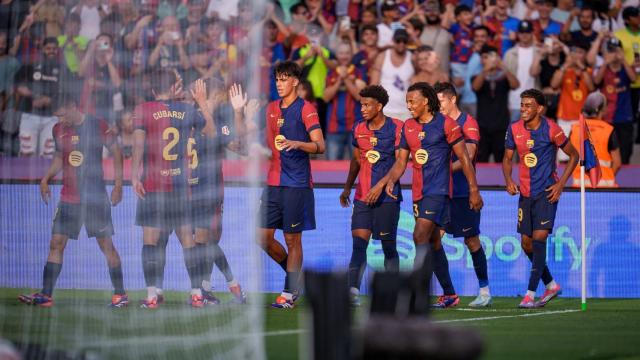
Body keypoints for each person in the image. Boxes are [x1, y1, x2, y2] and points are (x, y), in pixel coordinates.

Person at [18, 93, 127, 308]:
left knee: (106, 246)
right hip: (68, 198)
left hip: (95, 199)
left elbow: (116, 151)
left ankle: (120, 294)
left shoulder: (97, 124)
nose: (60, 120)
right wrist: (46, 177)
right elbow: (60, 157)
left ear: (72, 106)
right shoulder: (58, 129)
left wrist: (118, 185)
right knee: (56, 243)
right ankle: (46, 295)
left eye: (62, 115)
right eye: (57, 116)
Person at [384, 82, 483, 309]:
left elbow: (465, 158)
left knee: (419, 235)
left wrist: (473, 189)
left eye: (412, 101)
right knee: (433, 241)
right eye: (407, 102)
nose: (408, 106)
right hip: (418, 192)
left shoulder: (447, 124)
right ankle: (449, 293)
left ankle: (418, 293)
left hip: (439, 191)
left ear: (426, 101)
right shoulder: (408, 126)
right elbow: (401, 161)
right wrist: (391, 179)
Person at [131, 70, 213, 309]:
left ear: (153, 89)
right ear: (173, 87)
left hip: (153, 186)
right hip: (180, 187)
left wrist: (135, 176)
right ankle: (197, 293)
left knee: (150, 241)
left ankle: (151, 297)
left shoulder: (143, 109)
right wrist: (202, 103)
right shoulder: (187, 110)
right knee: (188, 240)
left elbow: (137, 146)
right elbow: (209, 131)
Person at [502, 88, 579, 308]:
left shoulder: (552, 129)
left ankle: (529, 294)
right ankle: (551, 284)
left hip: (546, 193)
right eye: (522, 105)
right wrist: (508, 179)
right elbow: (507, 158)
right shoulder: (514, 129)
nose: (523, 109)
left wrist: (561, 184)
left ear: (540, 108)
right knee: (526, 244)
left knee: (538, 239)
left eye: (528, 105)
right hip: (525, 194)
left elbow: (574, 155)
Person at [258, 61, 325, 309]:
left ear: (295, 82)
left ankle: (288, 294)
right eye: (277, 79)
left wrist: (299, 143)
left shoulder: (306, 109)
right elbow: (265, 143)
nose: (279, 84)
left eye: (284, 79)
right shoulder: (271, 108)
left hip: (296, 183)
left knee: (292, 239)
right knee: (261, 237)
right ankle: (296, 278)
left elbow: (320, 145)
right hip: (273, 181)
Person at [339, 85, 403, 307]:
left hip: (387, 196)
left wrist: (381, 185)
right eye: (361, 105)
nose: (363, 109)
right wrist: (347, 188)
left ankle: (393, 292)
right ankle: (352, 291)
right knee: (359, 245)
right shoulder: (358, 129)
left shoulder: (397, 127)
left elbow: (400, 163)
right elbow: (356, 161)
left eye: (367, 105)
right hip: (362, 197)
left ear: (380, 106)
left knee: (388, 246)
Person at [189, 81, 248, 304]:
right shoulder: (192, 116)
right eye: (218, 98)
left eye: (222, 100)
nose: (219, 103)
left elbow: (239, 146)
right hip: (188, 188)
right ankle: (207, 289)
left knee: (207, 240)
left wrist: (239, 113)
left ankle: (228, 286)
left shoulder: (219, 123)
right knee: (198, 243)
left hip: (210, 189)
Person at [435, 82, 491, 308]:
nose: (437, 106)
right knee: (430, 240)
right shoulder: (437, 124)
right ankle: (449, 293)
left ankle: (485, 292)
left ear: (452, 100)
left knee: (472, 240)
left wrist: (440, 168)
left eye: (440, 102)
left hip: (462, 192)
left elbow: (469, 154)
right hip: (440, 192)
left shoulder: (468, 123)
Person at [14, 37, 61, 157]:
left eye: (54, 49)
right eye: (48, 48)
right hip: (29, 115)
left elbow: (67, 93)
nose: (51, 51)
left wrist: (49, 100)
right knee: (26, 153)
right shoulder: (30, 65)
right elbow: (17, 85)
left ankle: (45, 177)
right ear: (43, 49)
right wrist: (34, 96)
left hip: (52, 118)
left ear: (58, 50)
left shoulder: (63, 69)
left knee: (48, 154)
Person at [472, 44, 520, 163]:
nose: (489, 60)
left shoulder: (504, 77)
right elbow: (475, 87)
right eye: (485, 57)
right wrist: (485, 69)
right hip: (482, 125)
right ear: (481, 60)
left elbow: (515, 85)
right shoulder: (477, 76)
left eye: (492, 57)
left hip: (501, 125)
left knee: (502, 160)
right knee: (481, 160)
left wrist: (504, 67)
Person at [594, 37, 636, 164]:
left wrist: (623, 59)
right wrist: (606, 62)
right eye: (611, 50)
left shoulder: (626, 68)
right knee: (605, 152)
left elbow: (633, 78)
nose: (614, 54)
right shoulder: (603, 68)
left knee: (625, 152)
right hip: (607, 118)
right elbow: (596, 81)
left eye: (617, 50)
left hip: (624, 117)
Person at [551, 41, 595, 160]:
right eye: (574, 52)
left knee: (582, 155)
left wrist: (581, 67)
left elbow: (591, 87)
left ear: (585, 56)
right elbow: (554, 84)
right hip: (564, 118)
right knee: (563, 155)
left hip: (583, 119)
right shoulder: (564, 71)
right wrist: (565, 66)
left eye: (580, 53)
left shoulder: (588, 71)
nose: (576, 56)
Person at [569, 92, 621, 188]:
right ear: (603, 110)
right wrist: (606, 177)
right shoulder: (609, 130)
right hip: (605, 187)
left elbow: (570, 158)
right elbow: (617, 163)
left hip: (579, 187)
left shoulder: (574, 129)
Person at [323, 42, 365, 160]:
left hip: (356, 127)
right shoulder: (331, 73)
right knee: (332, 169)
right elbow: (326, 97)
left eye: (347, 53)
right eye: (341, 53)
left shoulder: (358, 72)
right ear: (337, 55)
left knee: (357, 167)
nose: (344, 56)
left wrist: (345, 78)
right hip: (334, 127)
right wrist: (339, 80)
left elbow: (359, 97)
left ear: (351, 55)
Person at [370, 29, 414, 120]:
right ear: (393, 41)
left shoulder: (413, 58)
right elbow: (373, 84)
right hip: (385, 110)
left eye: (404, 41)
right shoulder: (382, 56)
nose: (401, 44)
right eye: (398, 41)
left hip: (406, 111)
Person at [613, 6, 640, 144]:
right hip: (628, 81)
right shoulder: (619, 35)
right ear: (628, 19)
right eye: (636, 16)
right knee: (630, 112)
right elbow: (616, 56)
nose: (638, 18)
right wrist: (631, 65)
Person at [505, 20, 540, 124]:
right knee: (515, 137)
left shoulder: (539, 52)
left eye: (527, 32)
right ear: (518, 34)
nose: (524, 35)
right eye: (522, 32)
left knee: (533, 138)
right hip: (514, 102)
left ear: (532, 33)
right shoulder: (509, 53)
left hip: (534, 103)